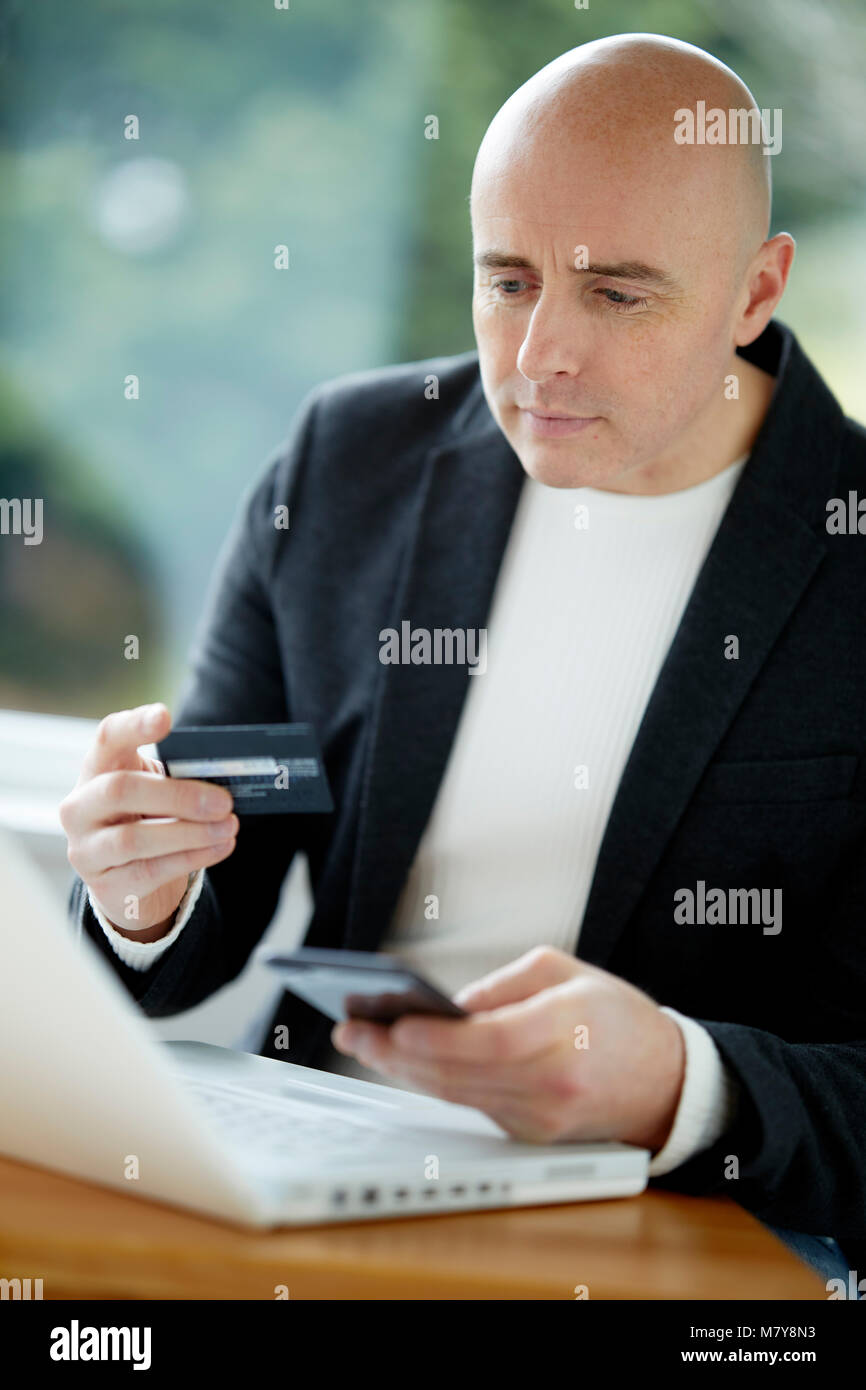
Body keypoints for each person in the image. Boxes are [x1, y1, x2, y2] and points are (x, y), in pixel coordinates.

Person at [61, 35, 866, 1288]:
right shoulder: (346, 465)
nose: (539, 353)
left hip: (684, 1226)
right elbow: (215, 886)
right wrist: (142, 896)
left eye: (616, 294)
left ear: (755, 291)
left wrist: (678, 1083)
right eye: (507, 280)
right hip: (322, 1169)